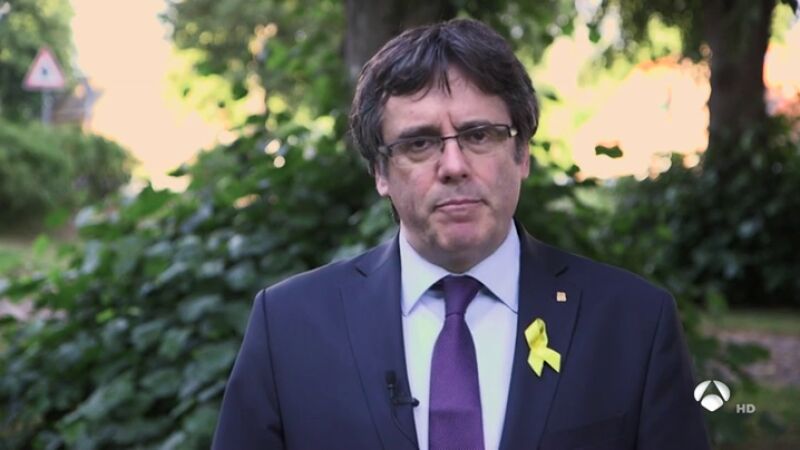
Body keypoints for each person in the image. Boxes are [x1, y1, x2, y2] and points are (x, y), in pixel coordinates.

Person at [213, 18, 710, 450]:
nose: (453, 165)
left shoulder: (634, 323)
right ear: (380, 172)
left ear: (522, 153)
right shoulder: (289, 326)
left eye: (478, 135)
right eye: (419, 143)